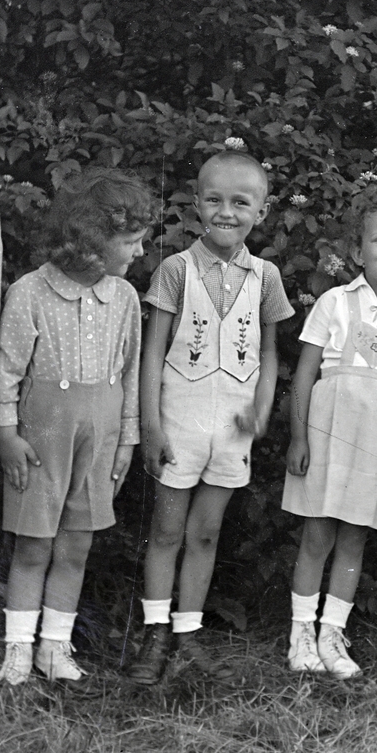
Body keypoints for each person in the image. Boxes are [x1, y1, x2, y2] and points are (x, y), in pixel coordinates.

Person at [126, 151, 294, 686]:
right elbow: (152, 354)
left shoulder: (265, 277)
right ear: (197, 205)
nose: (227, 212)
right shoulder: (175, 269)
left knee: (205, 532)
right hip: (179, 421)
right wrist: (150, 425)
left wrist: (262, 411)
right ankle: (154, 632)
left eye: (240, 202)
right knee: (167, 529)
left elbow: (269, 354)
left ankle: (188, 634)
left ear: (261, 212)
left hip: (232, 429)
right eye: (214, 200)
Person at [0, 169, 156, 686]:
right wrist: (6, 434)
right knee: (34, 543)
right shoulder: (30, 292)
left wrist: (128, 438)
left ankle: (54, 649)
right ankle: (17, 652)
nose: (138, 251)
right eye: (129, 241)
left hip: (101, 436)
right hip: (42, 436)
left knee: (77, 543)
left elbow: (130, 372)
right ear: (90, 241)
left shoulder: (125, 297)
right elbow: (6, 370)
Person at [280, 178, 377, 679]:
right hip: (327, 433)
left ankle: (332, 634)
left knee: (353, 540)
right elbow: (305, 374)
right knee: (317, 534)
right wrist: (299, 436)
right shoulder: (334, 304)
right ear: (357, 250)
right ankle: (300, 633)